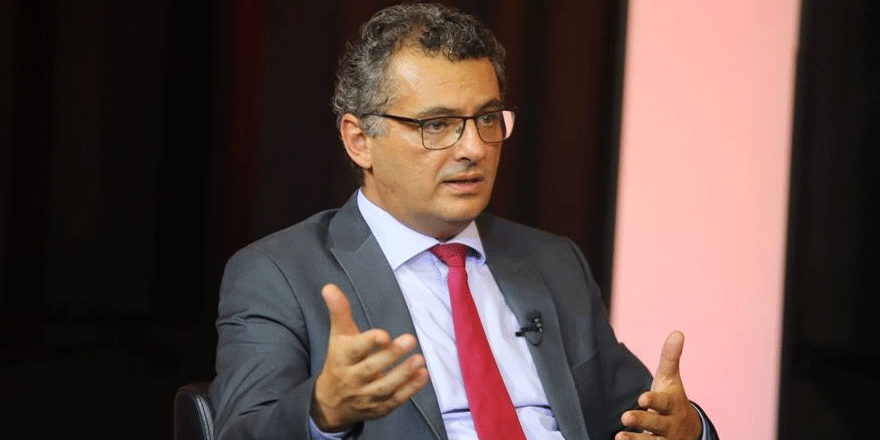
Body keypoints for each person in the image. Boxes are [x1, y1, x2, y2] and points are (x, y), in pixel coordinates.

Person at [209, 3, 718, 440]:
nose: (474, 148)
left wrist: (688, 428)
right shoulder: (279, 273)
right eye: (437, 125)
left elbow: (639, 415)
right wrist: (323, 411)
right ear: (359, 140)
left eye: (488, 118)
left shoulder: (552, 262)